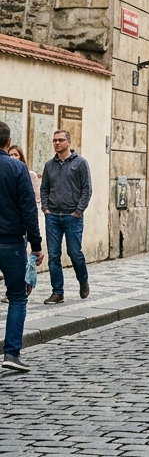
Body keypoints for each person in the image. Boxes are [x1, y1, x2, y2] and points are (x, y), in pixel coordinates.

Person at [0, 121, 45, 372]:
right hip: (11, 242)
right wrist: (36, 245)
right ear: (8, 143)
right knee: (17, 296)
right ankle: (11, 353)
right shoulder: (17, 168)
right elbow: (29, 210)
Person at [40, 129, 92, 303]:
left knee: (74, 252)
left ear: (69, 142)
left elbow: (87, 189)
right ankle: (57, 292)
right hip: (53, 215)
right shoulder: (49, 165)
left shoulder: (80, 163)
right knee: (53, 255)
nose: (57, 143)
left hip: (72, 216)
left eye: (60, 140)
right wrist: (46, 208)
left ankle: (83, 280)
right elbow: (44, 188)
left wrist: (78, 211)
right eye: (54, 140)